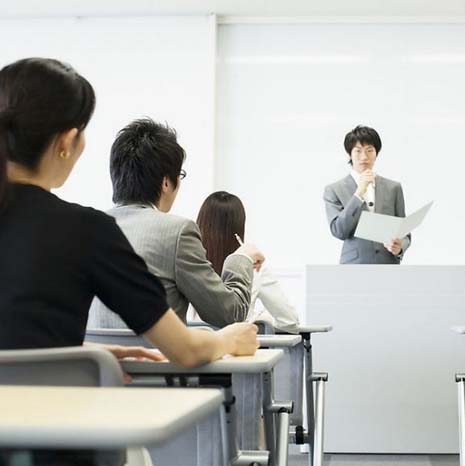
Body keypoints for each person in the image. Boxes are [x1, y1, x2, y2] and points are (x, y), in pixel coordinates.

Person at [0, 57, 257, 465]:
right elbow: (186, 350)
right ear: (67, 141)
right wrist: (231, 338)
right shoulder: (85, 230)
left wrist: (86, 354)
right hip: (54, 448)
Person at [88, 119, 265, 329]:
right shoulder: (177, 232)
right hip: (157, 352)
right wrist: (240, 258)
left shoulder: (87, 229)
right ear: (165, 182)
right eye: (179, 175)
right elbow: (230, 314)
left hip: (94, 352)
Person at [196, 191, 300, 333]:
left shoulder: (186, 264)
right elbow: (290, 321)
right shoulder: (254, 267)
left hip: (190, 344)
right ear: (240, 226)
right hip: (235, 345)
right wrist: (262, 321)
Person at [323, 125, 410, 264]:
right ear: (349, 154)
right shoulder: (334, 190)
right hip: (354, 266)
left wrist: (399, 247)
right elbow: (339, 231)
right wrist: (359, 193)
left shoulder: (393, 188)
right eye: (358, 151)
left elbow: (404, 231)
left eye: (370, 150)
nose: (364, 157)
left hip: (387, 265)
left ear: (376, 153)